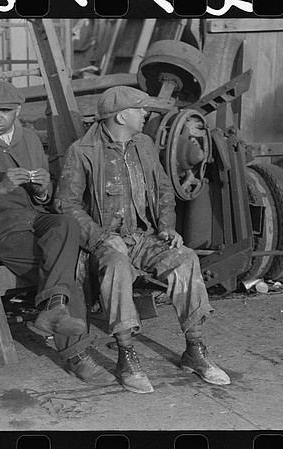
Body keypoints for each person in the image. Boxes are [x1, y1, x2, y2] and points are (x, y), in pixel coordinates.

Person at [54, 85, 231, 394]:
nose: (145, 114)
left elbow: (164, 189)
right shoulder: (82, 151)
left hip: (144, 236)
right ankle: (126, 357)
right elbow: (66, 205)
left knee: (186, 259)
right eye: (140, 110)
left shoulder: (144, 144)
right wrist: (102, 237)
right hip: (104, 243)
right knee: (118, 266)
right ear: (122, 116)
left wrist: (167, 227)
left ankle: (195, 350)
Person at [0, 80, 114, 386]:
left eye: (4, 111)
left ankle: (52, 310)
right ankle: (76, 356)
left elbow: (42, 198)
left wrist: (43, 189)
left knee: (67, 224)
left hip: (32, 217)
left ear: (16, 111)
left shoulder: (30, 138)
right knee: (67, 276)